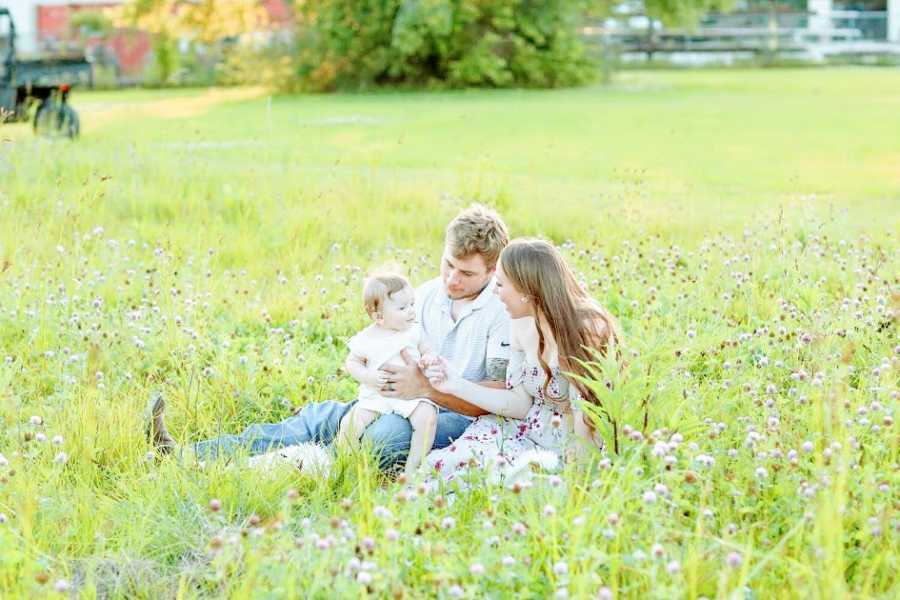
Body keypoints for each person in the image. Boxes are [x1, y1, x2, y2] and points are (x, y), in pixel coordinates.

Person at [147, 204, 512, 470]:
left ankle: (300, 468)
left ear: (492, 270)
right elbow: (392, 340)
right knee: (319, 419)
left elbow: (497, 396)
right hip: (396, 398)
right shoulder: (428, 294)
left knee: (379, 441)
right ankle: (187, 455)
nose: (451, 279)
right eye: (448, 264)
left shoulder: (501, 311)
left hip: (456, 416)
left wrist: (427, 390)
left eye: (465, 273)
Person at [422, 238, 620, 486]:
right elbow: (519, 403)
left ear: (527, 290)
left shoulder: (587, 329)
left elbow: (587, 418)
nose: (495, 291)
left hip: (570, 442)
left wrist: (578, 482)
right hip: (526, 428)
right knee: (448, 467)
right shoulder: (519, 323)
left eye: (501, 284)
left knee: (513, 484)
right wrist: (455, 385)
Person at [336, 273, 439, 478]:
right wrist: (368, 376)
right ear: (378, 316)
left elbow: (428, 349)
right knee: (350, 423)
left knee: (427, 417)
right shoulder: (367, 338)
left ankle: (413, 470)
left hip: (410, 394)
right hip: (377, 394)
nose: (411, 311)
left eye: (412, 304)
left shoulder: (413, 332)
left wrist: (428, 358)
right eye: (402, 308)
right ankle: (346, 467)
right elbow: (352, 362)